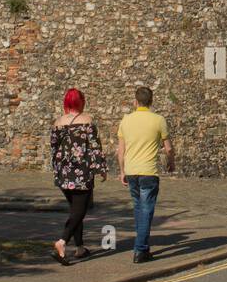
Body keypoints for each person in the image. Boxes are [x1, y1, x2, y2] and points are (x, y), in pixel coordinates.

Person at [48, 88, 107, 266]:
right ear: (81, 102)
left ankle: (80, 248)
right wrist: (101, 168)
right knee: (79, 211)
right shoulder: (87, 121)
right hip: (82, 172)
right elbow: (95, 147)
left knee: (75, 210)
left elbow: (53, 148)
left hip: (63, 172)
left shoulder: (57, 122)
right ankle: (62, 242)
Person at [117, 86, 174, 263]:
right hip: (149, 171)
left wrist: (121, 171)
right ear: (151, 101)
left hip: (132, 171)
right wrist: (171, 163)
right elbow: (169, 148)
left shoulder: (125, 121)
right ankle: (140, 249)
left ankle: (143, 247)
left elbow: (121, 150)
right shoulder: (158, 120)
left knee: (139, 209)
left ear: (135, 102)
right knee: (147, 210)